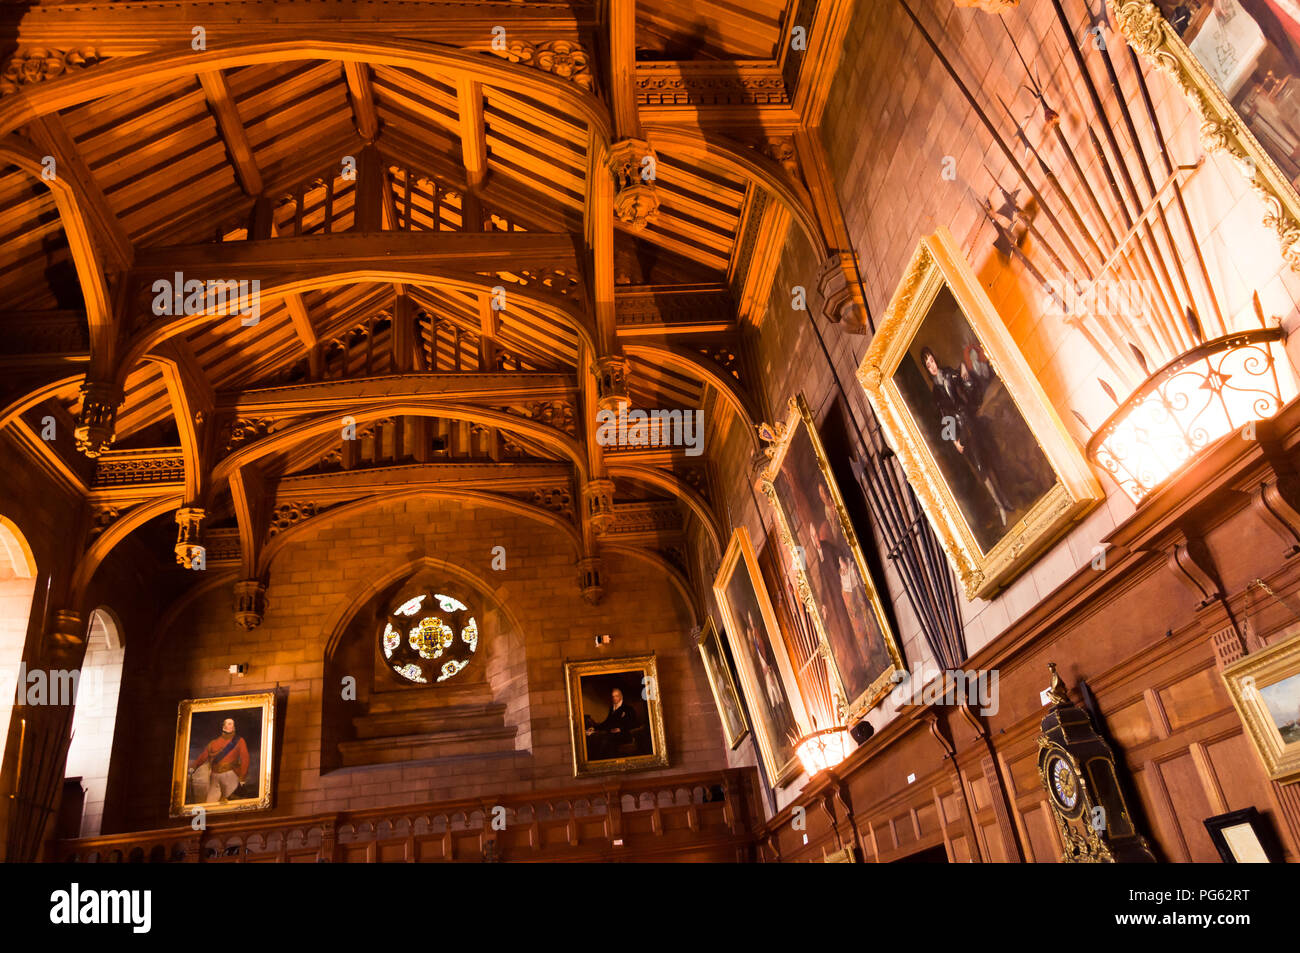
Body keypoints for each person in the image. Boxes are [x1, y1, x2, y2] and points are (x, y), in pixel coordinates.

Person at [920, 345, 1015, 527]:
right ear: (926, 368)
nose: (931, 365)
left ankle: (1004, 500)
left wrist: (966, 377)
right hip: (961, 432)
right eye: (927, 364)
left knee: (988, 459)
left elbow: (968, 389)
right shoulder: (936, 392)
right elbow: (944, 416)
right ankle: (999, 505)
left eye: (931, 361)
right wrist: (954, 440)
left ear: (935, 359)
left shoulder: (950, 373)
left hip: (971, 420)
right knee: (980, 468)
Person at [190, 717, 251, 803]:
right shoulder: (213, 743)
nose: (232, 726)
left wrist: (242, 777)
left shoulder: (239, 741)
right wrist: (194, 767)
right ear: (223, 727)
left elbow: (245, 758)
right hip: (214, 777)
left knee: (230, 803)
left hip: (231, 774)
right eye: (229, 723)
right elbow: (204, 756)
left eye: (233, 724)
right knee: (210, 803)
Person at [585, 688, 642, 760]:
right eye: (613, 696)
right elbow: (607, 722)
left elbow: (633, 723)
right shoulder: (612, 708)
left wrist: (620, 729)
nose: (614, 698)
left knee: (605, 741)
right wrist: (594, 728)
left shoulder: (628, 708)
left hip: (624, 734)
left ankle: (604, 761)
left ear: (621, 697)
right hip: (612, 733)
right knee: (597, 738)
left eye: (616, 696)